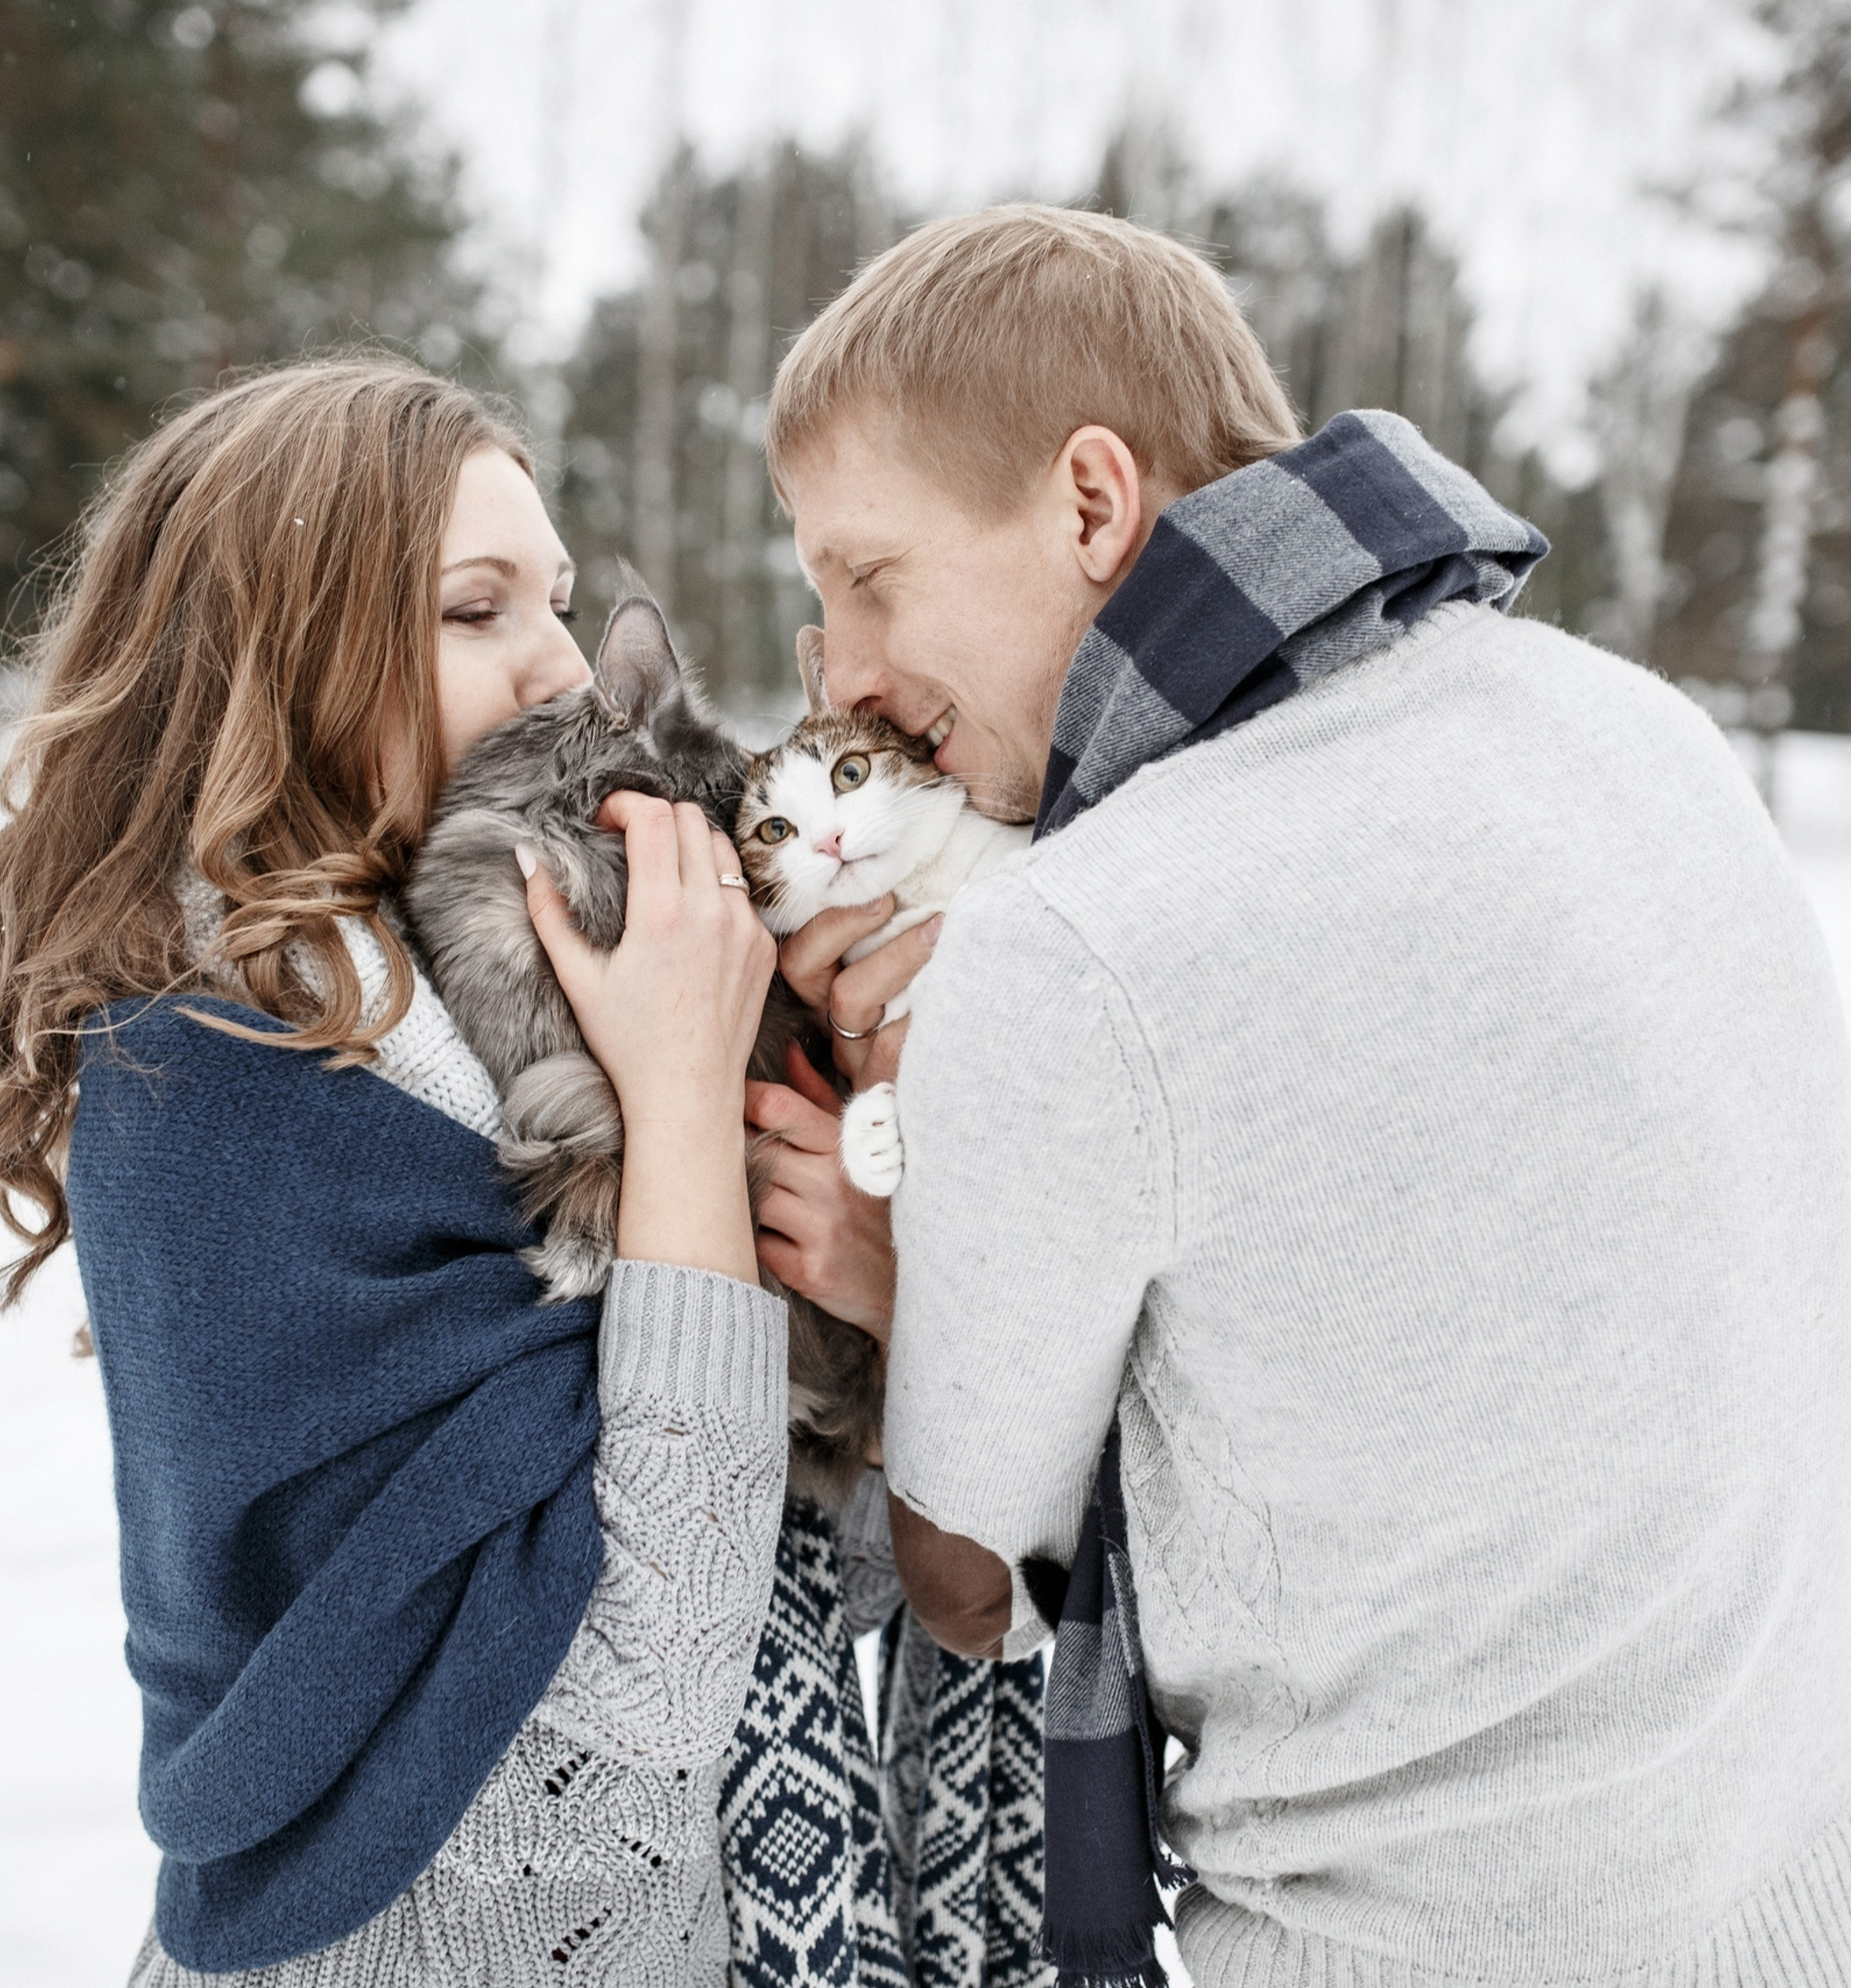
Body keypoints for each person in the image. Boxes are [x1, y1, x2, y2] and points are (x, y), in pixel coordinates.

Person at [746, 204, 1851, 1985]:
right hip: (1794, 1888)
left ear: (1091, 505)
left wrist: (913, 1259)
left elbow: (963, 1583)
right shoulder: (1631, 725)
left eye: (867, 576)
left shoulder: (1080, 943)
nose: (845, 671)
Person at [0, 359, 791, 1986]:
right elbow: (657, 1670)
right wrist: (680, 1103)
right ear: (287, 665)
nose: (560, 665)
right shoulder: (227, 1080)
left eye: (552, 595)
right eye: (478, 611)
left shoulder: (453, 1012)